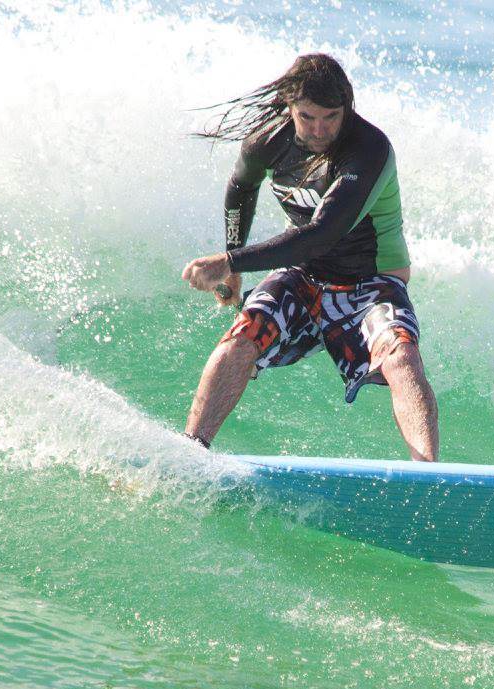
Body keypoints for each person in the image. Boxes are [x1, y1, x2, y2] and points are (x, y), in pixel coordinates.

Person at [179, 53, 439, 461]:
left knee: (401, 354)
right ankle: (191, 452)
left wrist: (230, 262)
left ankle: (427, 474)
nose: (320, 130)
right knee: (242, 336)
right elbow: (241, 187)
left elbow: (322, 234)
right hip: (303, 277)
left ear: (347, 107)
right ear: (289, 107)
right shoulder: (268, 141)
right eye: (307, 117)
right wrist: (233, 265)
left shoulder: (368, 149)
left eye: (331, 117)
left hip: (371, 283)